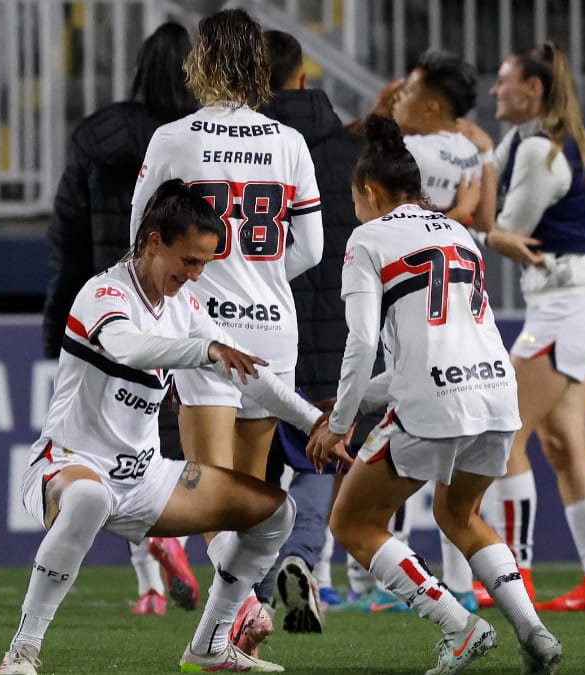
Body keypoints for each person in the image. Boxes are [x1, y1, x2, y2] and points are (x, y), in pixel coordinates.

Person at [0, 179, 329, 674]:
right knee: (88, 498)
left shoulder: (183, 308)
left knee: (275, 513)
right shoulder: (102, 294)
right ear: (153, 241)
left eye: (204, 264)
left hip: (144, 480)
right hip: (68, 465)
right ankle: (22, 652)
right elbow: (131, 348)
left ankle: (210, 646)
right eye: (189, 261)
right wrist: (207, 351)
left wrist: (314, 421)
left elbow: (251, 377)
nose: (195, 276)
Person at [307, 114, 562, 674]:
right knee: (461, 514)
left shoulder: (368, 239)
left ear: (370, 192)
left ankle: (461, 625)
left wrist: (340, 423)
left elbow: (362, 338)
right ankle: (534, 631)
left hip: (436, 403)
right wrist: (357, 404)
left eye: (355, 199)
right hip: (496, 394)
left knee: (352, 524)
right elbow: (428, 351)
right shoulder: (457, 234)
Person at [129, 8, 324, 651]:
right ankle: (230, 631)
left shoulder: (173, 139)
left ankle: (241, 616)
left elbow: (143, 232)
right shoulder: (288, 142)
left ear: (201, 62)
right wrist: (260, 276)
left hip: (207, 331)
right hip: (272, 327)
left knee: (209, 488)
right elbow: (311, 248)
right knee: (251, 488)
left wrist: (200, 280)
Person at [39, 20, 200, 617]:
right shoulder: (194, 144)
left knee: (101, 449)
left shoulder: (98, 135)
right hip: (168, 306)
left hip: (105, 308)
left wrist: (60, 320)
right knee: (154, 449)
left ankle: (149, 589)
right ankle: (165, 543)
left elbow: (66, 235)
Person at [465, 40, 585, 613]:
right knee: (563, 446)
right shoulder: (523, 141)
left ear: (532, 90)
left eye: (504, 80)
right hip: (572, 304)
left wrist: (472, 229)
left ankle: (515, 574)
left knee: (501, 432)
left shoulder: (538, 151)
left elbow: (508, 231)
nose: (494, 90)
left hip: (566, 307)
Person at [247, 28, 368, 630]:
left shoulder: (249, 152)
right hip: (343, 332)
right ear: (303, 76)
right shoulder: (352, 154)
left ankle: (266, 581)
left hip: (265, 328)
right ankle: (301, 560)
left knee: (255, 464)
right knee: (323, 457)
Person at [392, 48, 493, 229]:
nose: (398, 97)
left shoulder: (410, 151)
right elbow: (485, 223)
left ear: (431, 109)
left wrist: (459, 213)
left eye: (407, 92)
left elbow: (403, 236)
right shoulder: (472, 151)